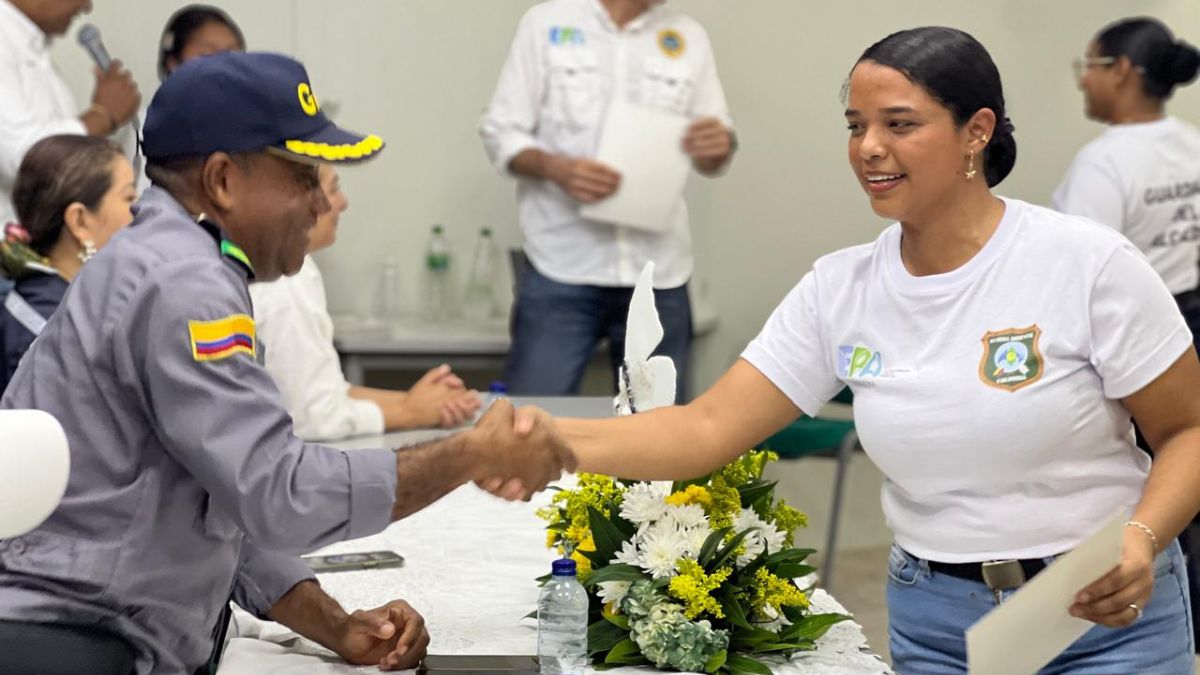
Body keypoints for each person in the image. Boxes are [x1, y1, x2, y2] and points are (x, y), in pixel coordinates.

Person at [509, 26, 1200, 673]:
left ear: (976, 132)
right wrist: (537, 437)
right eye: (856, 126)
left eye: (899, 124)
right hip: (939, 621)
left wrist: (1140, 538)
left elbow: (1188, 430)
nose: (868, 147)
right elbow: (706, 428)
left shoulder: (1084, 262)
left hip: (1106, 608)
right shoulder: (840, 287)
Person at [0, 51, 573, 675]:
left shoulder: (172, 261)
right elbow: (279, 492)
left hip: (105, 623)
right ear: (222, 181)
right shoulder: (183, 284)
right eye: (303, 176)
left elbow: (218, 502)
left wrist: (339, 628)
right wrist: (469, 454)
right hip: (79, 640)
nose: (319, 204)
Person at [479, 0, 735, 400]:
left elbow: (715, 149)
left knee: (660, 438)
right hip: (561, 267)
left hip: (658, 272)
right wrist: (556, 168)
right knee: (532, 424)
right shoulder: (547, 24)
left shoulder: (689, 37)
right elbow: (501, 132)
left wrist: (717, 145)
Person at [1053, 17, 1200, 651]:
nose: (1082, 79)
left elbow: (1074, 277)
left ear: (1120, 71)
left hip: (1139, 345)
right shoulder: (1191, 143)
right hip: (1191, 322)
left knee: (1154, 491)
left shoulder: (1103, 163)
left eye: (1087, 64)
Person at [250, 165, 482, 440]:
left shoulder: (299, 269)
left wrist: (423, 402)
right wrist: (411, 412)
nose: (342, 202)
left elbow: (327, 391)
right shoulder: (284, 285)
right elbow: (312, 418)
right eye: (333, 188)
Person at [0, 134, 135, 391]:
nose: (140, 210)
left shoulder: (73, 303)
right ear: (80, 221)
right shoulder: (49, 328)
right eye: (128, 197)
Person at [0, 0, 140, 225]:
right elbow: (25, 160)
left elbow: (70, 164)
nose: (86, 6)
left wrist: (112, 119)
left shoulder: (30, 48)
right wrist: (103, 116)